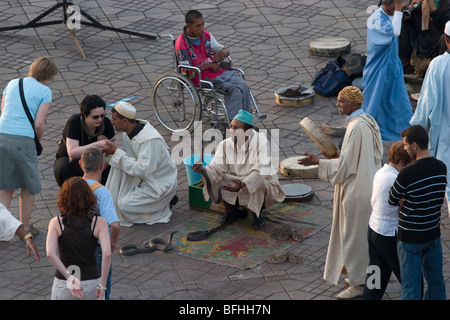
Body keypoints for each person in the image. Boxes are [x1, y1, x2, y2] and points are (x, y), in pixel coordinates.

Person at [298, 86, 383, 299]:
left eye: (341, 102)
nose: (338, 105)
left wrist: (320, 164)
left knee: (356, 241)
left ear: (354, 104)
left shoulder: (356, 127)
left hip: (357, 192)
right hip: (368, 186)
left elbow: (346, 167)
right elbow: (356, 158)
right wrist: (336, 155)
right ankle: (361, 278)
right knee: (363, 240)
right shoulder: (368, 121)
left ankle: (359, 285)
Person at [192, 110, 285, 230]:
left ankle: (259, 213)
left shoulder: (261, 143)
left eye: (236, 128)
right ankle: (234, 212)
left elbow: (260, 171)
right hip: (238, 180)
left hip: (261, 181)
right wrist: (203, 170)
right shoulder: (225, 144)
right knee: (218, 178)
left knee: (258, 183)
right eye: (231, 126)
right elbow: (217, 168)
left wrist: (242, 184)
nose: (231, 131)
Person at [0, 56, 59, 236]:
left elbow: (3, 111)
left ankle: (3, 229)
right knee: (28, 186)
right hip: (23, 140)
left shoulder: (12, 83)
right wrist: (39, 140)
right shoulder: (45, 91)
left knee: (6, 184)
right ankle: (24, 227)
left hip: (2, 135)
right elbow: (39, 124)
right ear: (48, 76)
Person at [388, 124, 447, 300]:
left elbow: (392, 200)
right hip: (433, 235)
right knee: (437, 283)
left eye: (406, 145)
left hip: (410, 239)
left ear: (414, 145)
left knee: (411, 289)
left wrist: (404, 199)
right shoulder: (441, 167)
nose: (405, 149)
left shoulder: (407, 174)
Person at [102, 101, 178, 227]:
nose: (112, 122)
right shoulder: (129, 134)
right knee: (115, 188)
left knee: (124, 205)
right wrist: (110, 151)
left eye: (114, 119)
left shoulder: (150, 141)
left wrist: (115, 152)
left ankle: (162, 207)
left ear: (125, 121)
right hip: (143, 178)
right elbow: (127, 160)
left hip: (159, 183)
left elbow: (142, 170)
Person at [175, 9, 252, 121]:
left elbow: (222, 48)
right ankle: (234, 125)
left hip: (217, 72)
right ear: (189, 26)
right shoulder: (181, 45)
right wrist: (209, 66)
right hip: (200, 78)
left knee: (243, 85)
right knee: (233, 90)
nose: (202, 28)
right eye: (198, 26)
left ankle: (246, 121)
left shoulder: (205, 35)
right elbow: (187, 73)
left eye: (203, 24)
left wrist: (224, 52)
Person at [362, 141, 414, 300]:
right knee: (409, 278)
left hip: (374, 229)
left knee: (375, 272)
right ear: (401, 162)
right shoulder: (396, 179)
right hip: (389, 235)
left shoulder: (381, 172)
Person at [46, 177, 111, 300]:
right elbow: (107, 254)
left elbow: (50, 253)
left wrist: (70, 277)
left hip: (64, 283)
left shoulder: (56, 223)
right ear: (89, 197)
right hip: (92, 281)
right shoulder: (99, 222)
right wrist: (102, 284)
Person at [410, 21, 450, 210]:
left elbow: (426, 106)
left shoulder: (438, 66)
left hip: (445, 143)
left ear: (446, 40)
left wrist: (414, 134)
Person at [362, 0, 413, 141]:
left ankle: (405, 131)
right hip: (378, 69)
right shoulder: (376, 20)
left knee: (399, 100)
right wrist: (398, 8)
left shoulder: (390, 15)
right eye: (396, 4)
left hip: (392, 67)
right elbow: (395, 32)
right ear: (386, 3)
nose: (400, 8)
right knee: (374, 102)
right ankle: (366, 130)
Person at [80, 147, 120, 300]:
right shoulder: (102, 192)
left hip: (73, 249)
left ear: (80, 164)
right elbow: (114, 225)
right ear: (103, 165)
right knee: (100, 292)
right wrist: (112, 243)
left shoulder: (70, 188)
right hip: (95, 250)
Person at [54, 94, 115, 187]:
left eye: (102, 115)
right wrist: (97, 145)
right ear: (85, 115)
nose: (100, 119)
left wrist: (100, 170)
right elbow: (72, 153)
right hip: (72, 162)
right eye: (95, 117)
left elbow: (112, 152)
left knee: (114, 167)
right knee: (63, 168)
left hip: (96, 163)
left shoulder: (105, 123)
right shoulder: (74, 122)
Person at [399, 0, 450, 76]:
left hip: (437, 40)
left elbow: (446, 27)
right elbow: (405, 21)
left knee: (444, 38)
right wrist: (410, 7)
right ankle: (405, 65)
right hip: (420, 39)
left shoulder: (447, 3)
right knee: (403, 27)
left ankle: (442, 70)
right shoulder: (420, 2)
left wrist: (433, 8)